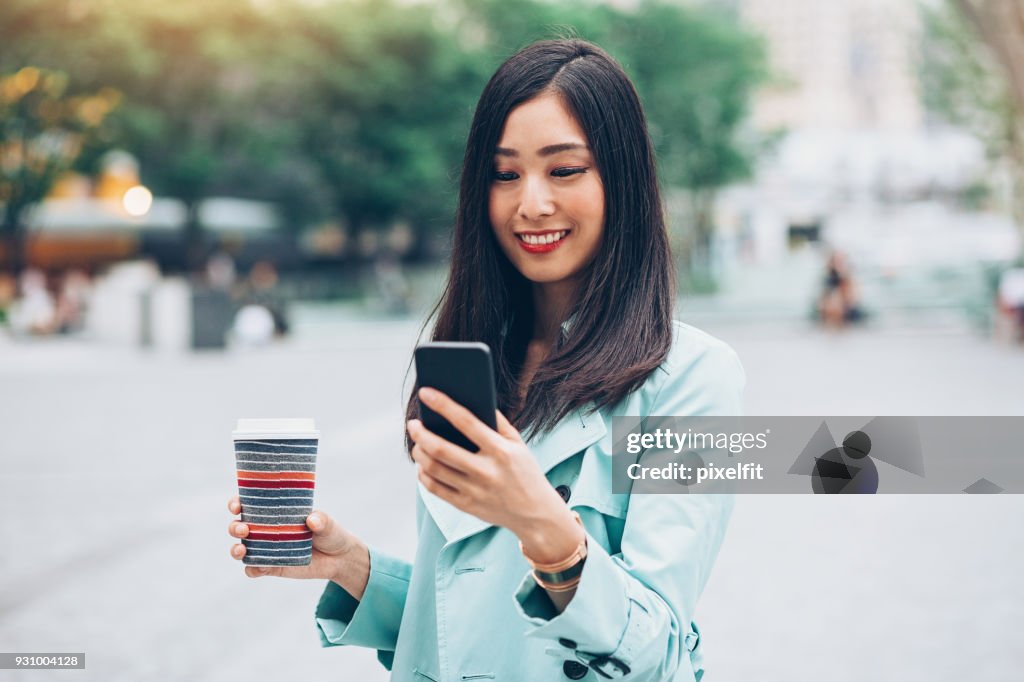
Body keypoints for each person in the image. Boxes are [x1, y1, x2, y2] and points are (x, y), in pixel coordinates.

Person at [227, 39, 744, 681]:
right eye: (505, 174)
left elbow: (657, 654)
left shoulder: (697, 378)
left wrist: (551, 533)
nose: (531, 203)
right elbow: (466, 620)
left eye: (564, 170)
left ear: (623, 179)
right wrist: (352, 565)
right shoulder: (480, 359)